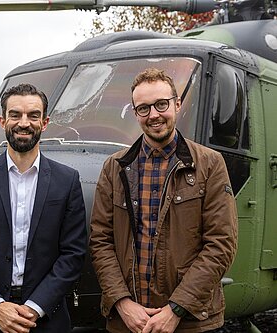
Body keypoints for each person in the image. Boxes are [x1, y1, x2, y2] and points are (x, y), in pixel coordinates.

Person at [89, 68, 238, 333]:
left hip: (190, 322)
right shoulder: (115, 167)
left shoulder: (209, 164)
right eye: (144, 108)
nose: (154, 115)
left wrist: (176, 309)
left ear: (177, 104)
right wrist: (122, 303)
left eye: (161, 104)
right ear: (135, 114)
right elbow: (101, 241)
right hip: (128, 322)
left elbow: (221, 244)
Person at [0, 83, 87, 333]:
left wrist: (36, 307)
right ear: (3, 121)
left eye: (33, 115)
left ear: (44, 123)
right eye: (16, 115)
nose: (24, 123)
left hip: (45, 320)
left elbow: (73, 254)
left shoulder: (67, 180)